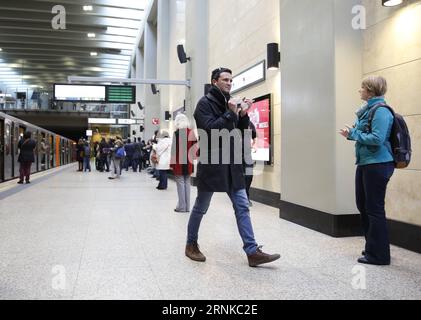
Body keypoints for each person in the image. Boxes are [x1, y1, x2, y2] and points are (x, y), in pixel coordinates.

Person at [185, 67, 280, 267]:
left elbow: (246, 132)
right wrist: (230, 113)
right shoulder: (203, 104)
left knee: (242, 206)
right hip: (212, 164)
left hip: (233, 163)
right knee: (201, 206)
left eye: (231, 80)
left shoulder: (232, 102)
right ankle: (191, 244)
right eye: (225, 80)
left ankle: (252, 251)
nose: (229, 83)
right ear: (214, 81)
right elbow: (210, 130)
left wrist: (243, 114)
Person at [339, 75, 395, 266]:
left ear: (370, 90)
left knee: (374, 209)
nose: (359, 91)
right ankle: (373, 247)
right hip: (366, 163)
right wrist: (352, 134)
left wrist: (354, 133)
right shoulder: (368, 110)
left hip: (378, 165)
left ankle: (379, 255)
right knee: (363, 205)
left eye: (362, 88)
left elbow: (377, 139)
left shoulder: (381, 111)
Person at [170, 114, 197, 212]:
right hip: (189, 162)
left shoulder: (176, 133)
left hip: (179, 163)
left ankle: (181, 206)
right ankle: (187, 206)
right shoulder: (191, 133)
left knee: (180, 184)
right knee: (187, 183)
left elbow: (173, 151)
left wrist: (172, 164)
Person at [243, 120, 257, 206]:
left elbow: (254, 136)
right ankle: (243, 198)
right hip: (236, 154)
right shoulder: (233, 121)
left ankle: (246, 195)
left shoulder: (249, 123)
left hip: (247, 154)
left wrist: (253, 144)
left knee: (249, 175)